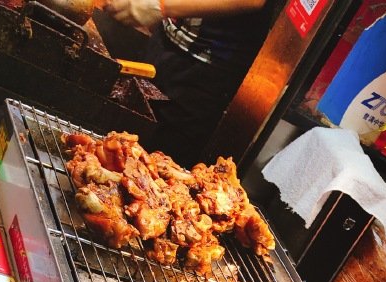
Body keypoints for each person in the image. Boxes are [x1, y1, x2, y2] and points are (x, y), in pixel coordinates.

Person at [104, 0, 275, 166]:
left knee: (156, 164)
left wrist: (161, 7)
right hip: (166, 41)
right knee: (117, 142)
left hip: (205, 72)